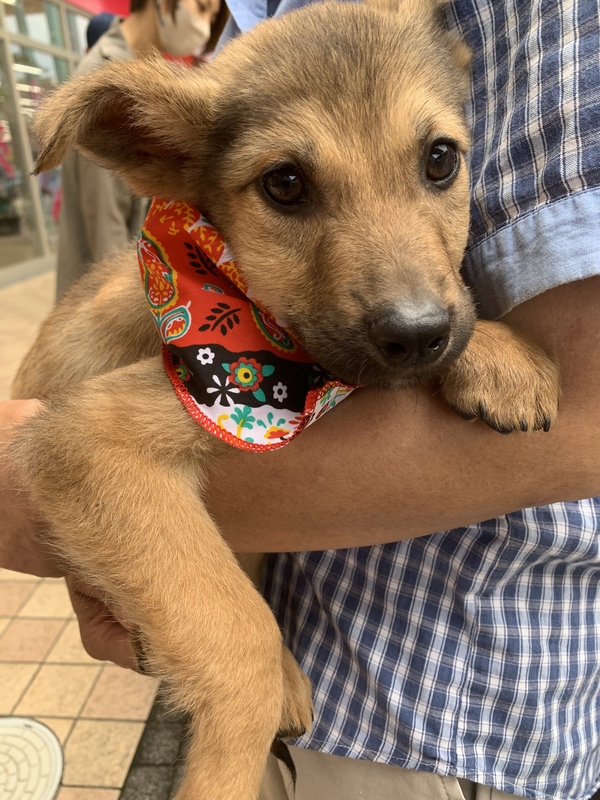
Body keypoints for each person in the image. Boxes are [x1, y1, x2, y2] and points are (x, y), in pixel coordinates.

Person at [2, 0, 600, 798]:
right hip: (313, 684)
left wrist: (471, 342)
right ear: (163, 155)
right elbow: (90, 453)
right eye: (288, 185)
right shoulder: (202, 296)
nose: (415, 306)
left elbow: (583, 414)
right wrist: (238, 665)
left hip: (440, 732)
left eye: (437, 163)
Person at [55, 0, 222, 300]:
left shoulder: (149, 70)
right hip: (105, 293)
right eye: (201, 7)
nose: (206, 28)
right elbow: (105, 226)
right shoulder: (106, 78)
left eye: (212, 17)